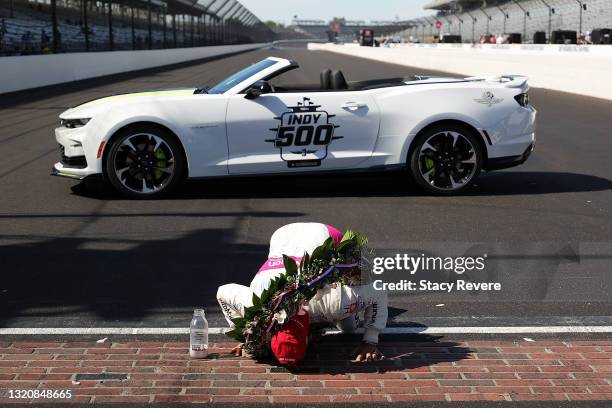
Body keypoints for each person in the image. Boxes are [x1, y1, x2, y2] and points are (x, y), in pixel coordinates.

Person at [217, 223, 388, 368]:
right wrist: (245, 334)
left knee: (349, 327)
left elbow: (379, 289)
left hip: (324, 235)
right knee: (347, 325)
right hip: (281, 234)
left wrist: (370, 341)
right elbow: (223, 292)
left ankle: (350, 303)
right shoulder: (253, 309)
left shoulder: (332, 304)